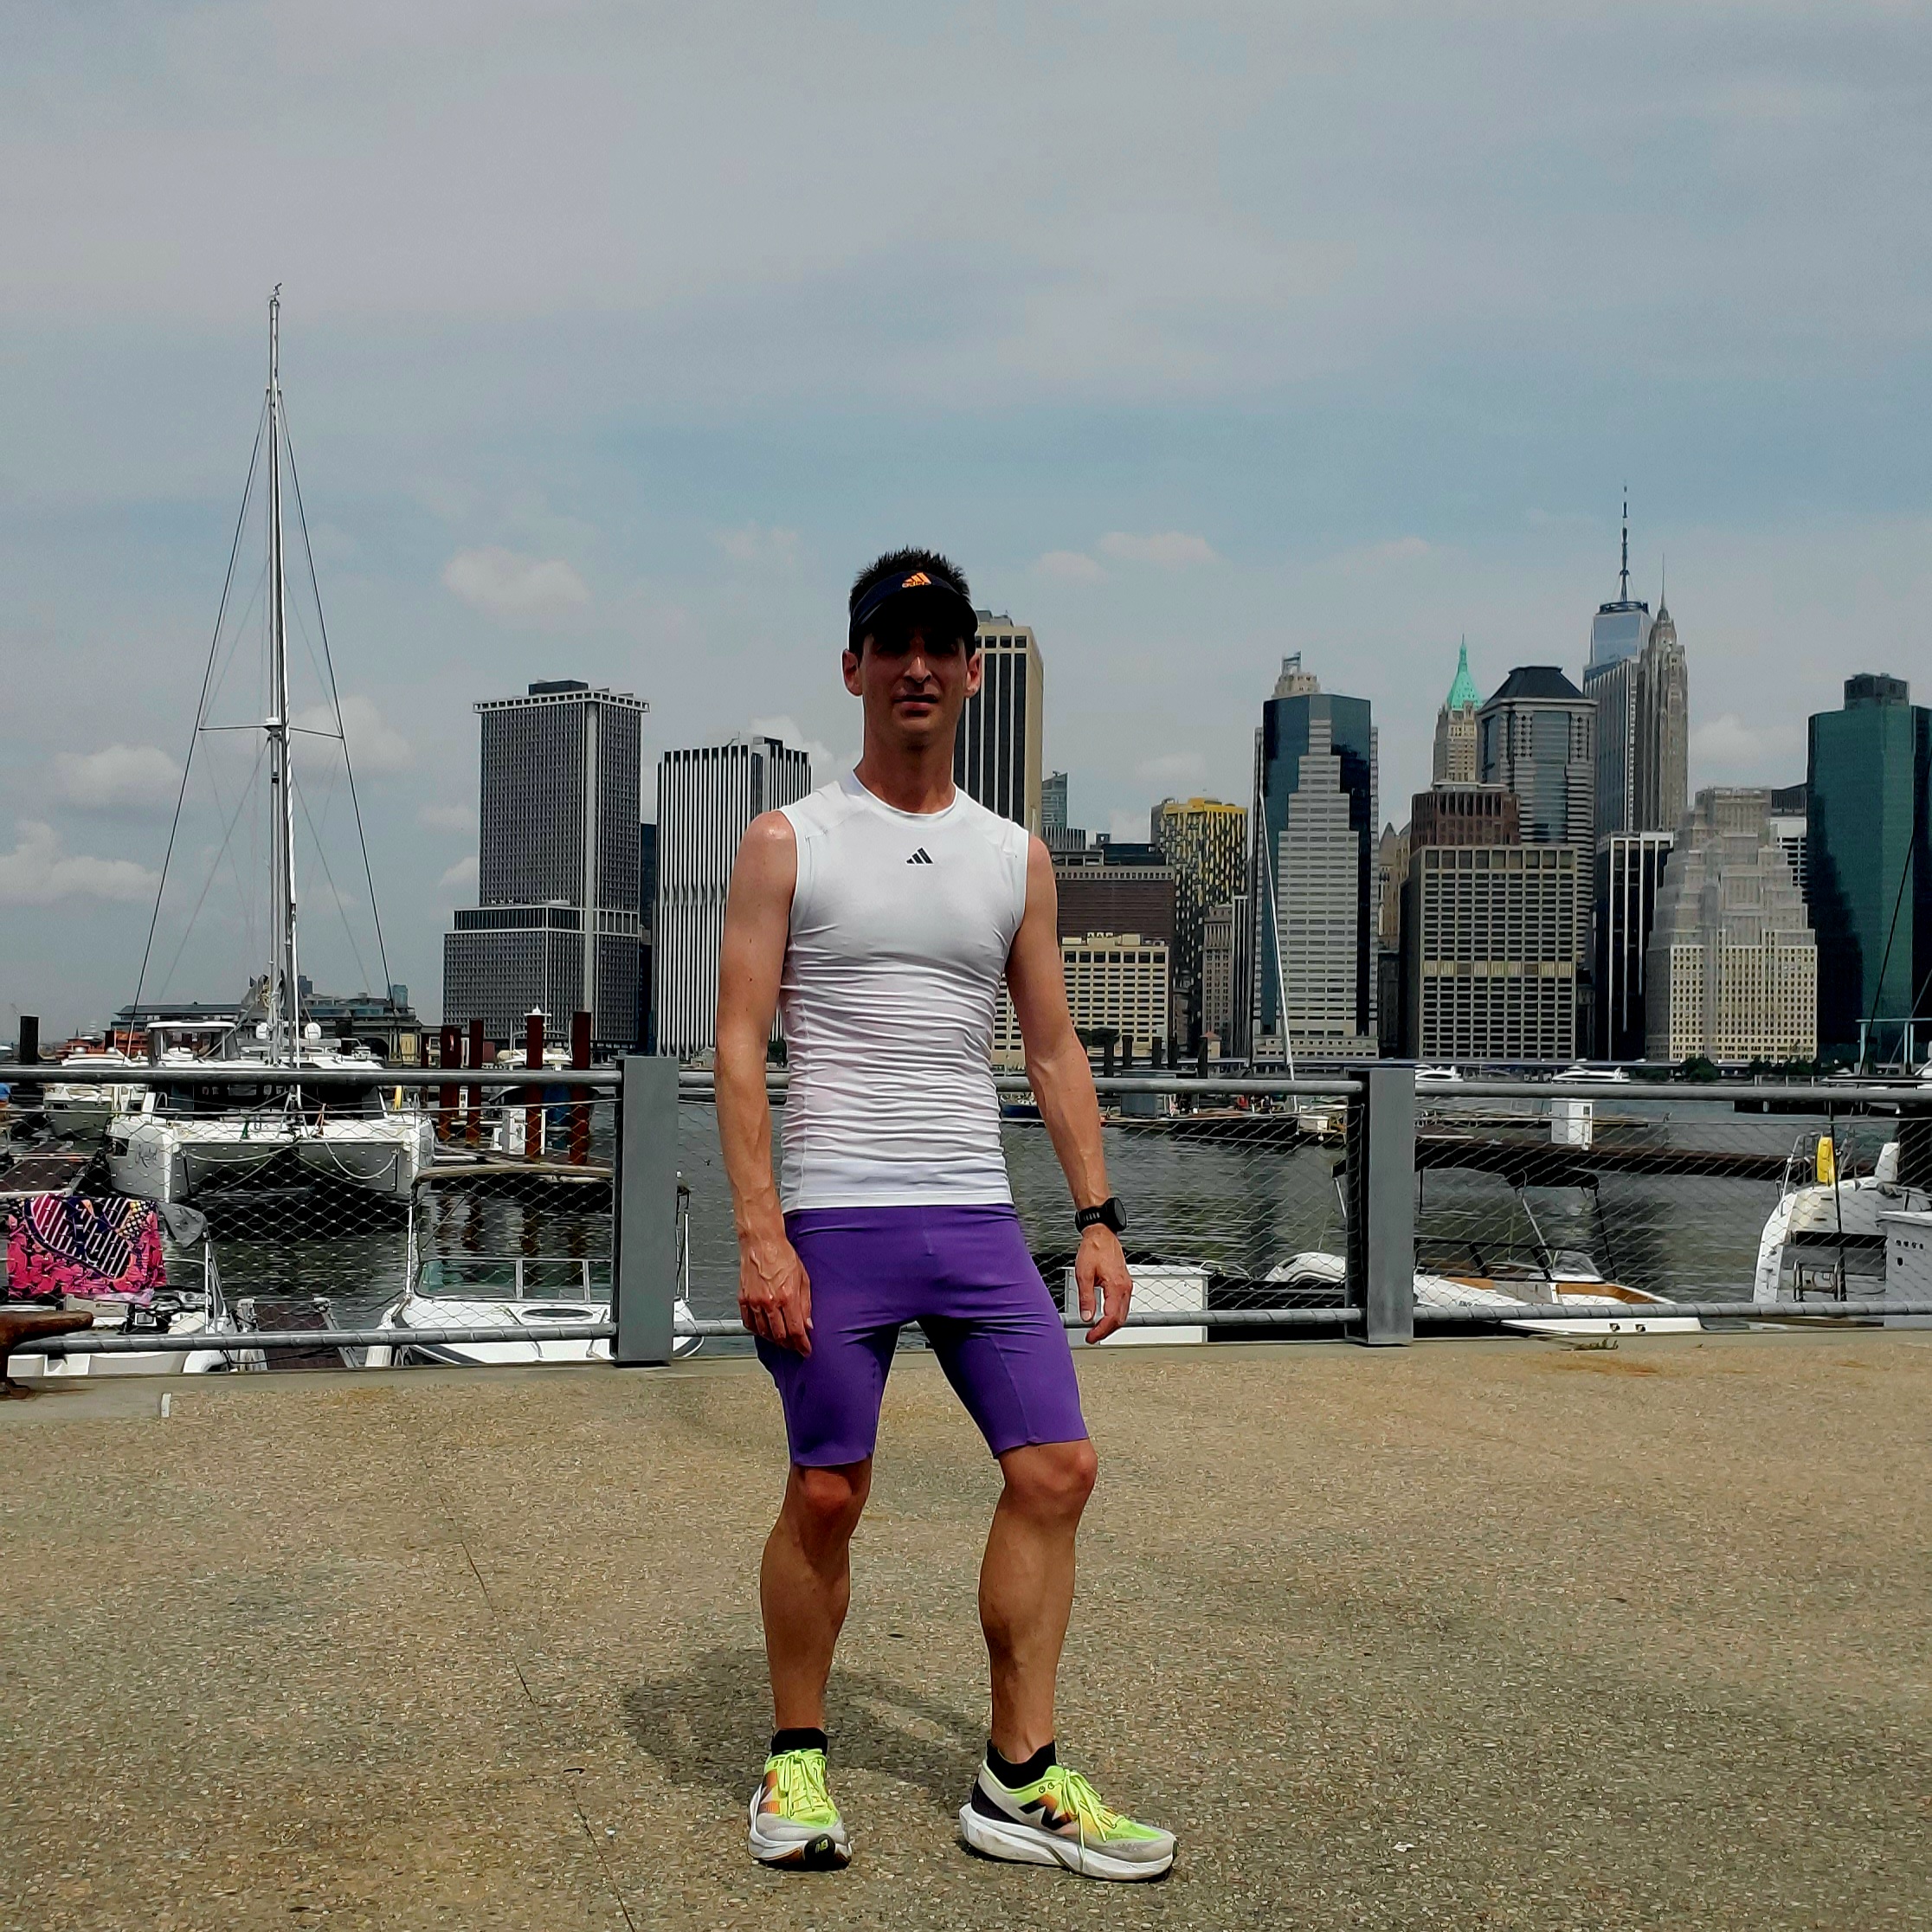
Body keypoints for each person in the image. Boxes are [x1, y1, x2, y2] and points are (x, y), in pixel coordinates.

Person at [714, 550, 1176, 1883]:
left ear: (973, 673)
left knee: (1057, 1470)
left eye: (939, 644)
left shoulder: (1012, 855)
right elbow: (738, 1044)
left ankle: (1016, 1779)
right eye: (891, 642)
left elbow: (1053, 1046)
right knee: (827, 1491)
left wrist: (1099, 1216)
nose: (915, 665)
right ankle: (796, 1758)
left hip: (974, 1215)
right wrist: (761, 1232)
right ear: (853, 667)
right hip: (837, 1218)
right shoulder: (789, 840)